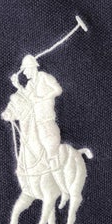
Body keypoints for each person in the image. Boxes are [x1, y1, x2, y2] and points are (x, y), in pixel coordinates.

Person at [10, 54, 69, 206]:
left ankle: (64, 191)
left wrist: (42, 98)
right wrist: (18, 86)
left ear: (32, 68)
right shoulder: (30, 84)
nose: (25, 73)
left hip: (47, 124)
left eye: (26, 70)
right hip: (37, 126)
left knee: (51, 158)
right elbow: (27, 98)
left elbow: (58, 90)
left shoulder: (44, 77)